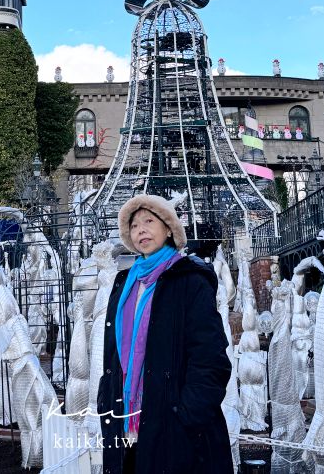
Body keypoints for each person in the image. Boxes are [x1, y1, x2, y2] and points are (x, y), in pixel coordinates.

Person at [97, 194, 233, 474]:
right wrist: (106, 400)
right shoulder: (125, 283)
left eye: (149, 221)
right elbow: (114, 355)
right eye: (134, 226)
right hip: (128, 419)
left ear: (169, 228)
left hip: (177, 427)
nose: (141, 230)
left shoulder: (190, 280)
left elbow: (210, 357)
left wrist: (186, 415)